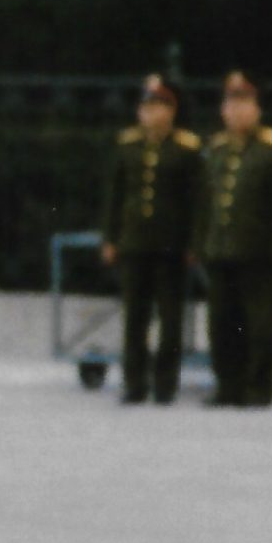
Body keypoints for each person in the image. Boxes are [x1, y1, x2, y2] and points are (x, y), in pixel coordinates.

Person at [193, 70, 272, 409]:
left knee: (260, 324)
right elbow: (206, 201)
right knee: (222, 322)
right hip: (221, 248)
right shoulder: (218, 147)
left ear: (257, 108)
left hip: (258, 251)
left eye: (244, 103)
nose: (236, 111)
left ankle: (258, 386)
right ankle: (228, 384)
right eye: (230, 104)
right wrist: (202, 242)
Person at [100, 72, 200, 405]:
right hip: (134, 241)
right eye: (146, 107)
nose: (151, 113)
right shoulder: (127, 144)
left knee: (170, 317)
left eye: (159, 106)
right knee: (135, 316)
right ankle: (134, 381)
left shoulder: (186, 148)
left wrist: (193, 242)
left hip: (171, 243)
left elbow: (194, 200)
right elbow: (115, 195)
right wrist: (111, 237)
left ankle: (165, 383)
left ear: (171, 110)